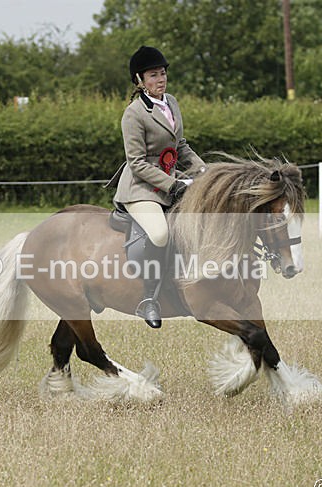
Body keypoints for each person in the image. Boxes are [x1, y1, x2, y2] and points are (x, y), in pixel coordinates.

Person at [109, 46, 206, 328]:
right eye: (153, 75)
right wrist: (173, 185)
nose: (160, 79)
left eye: (162, 73)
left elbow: (181, 147)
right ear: (139, 80)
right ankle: (149, 298)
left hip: (171, 181)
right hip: (141, 189)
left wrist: (205, 173)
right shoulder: (134, 114)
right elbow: (136, 163)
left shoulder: (171, 102)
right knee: (161, 233)